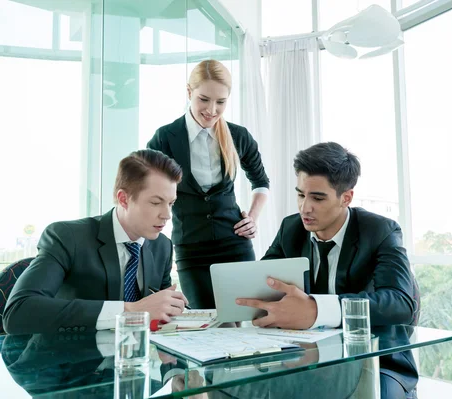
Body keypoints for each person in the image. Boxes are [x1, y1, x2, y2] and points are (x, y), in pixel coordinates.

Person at [236, 142, 419, 399]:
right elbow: (263, 283)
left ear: (346, 198)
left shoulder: (379, 231)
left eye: (317, 198)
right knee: (236, 386)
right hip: (305, 357)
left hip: (376, 360)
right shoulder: (291, 229)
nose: (304, 207)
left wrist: (317, 309)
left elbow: (400, 303)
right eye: (301, 195)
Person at [3, 149, 189, 335]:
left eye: (171, 203)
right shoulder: (68, 237)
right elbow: (18, 312)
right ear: (123, 199)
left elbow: (159, 314)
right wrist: (130, 311)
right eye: (156, 203)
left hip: (136, 358)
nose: (167, 215)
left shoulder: (162, 246)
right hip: (70, 357)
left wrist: (171, 307)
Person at [148, 59, 270, 309]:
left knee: (249, 319)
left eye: (221, 102)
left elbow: (260, 182)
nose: (212, 110)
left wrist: (253, 218)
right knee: (207, 323)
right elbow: (149, 188)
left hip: (235, 243)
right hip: (191, 248)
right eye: (204, 99)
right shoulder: (165, 138)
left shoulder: (238, 136)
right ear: (189, 92)